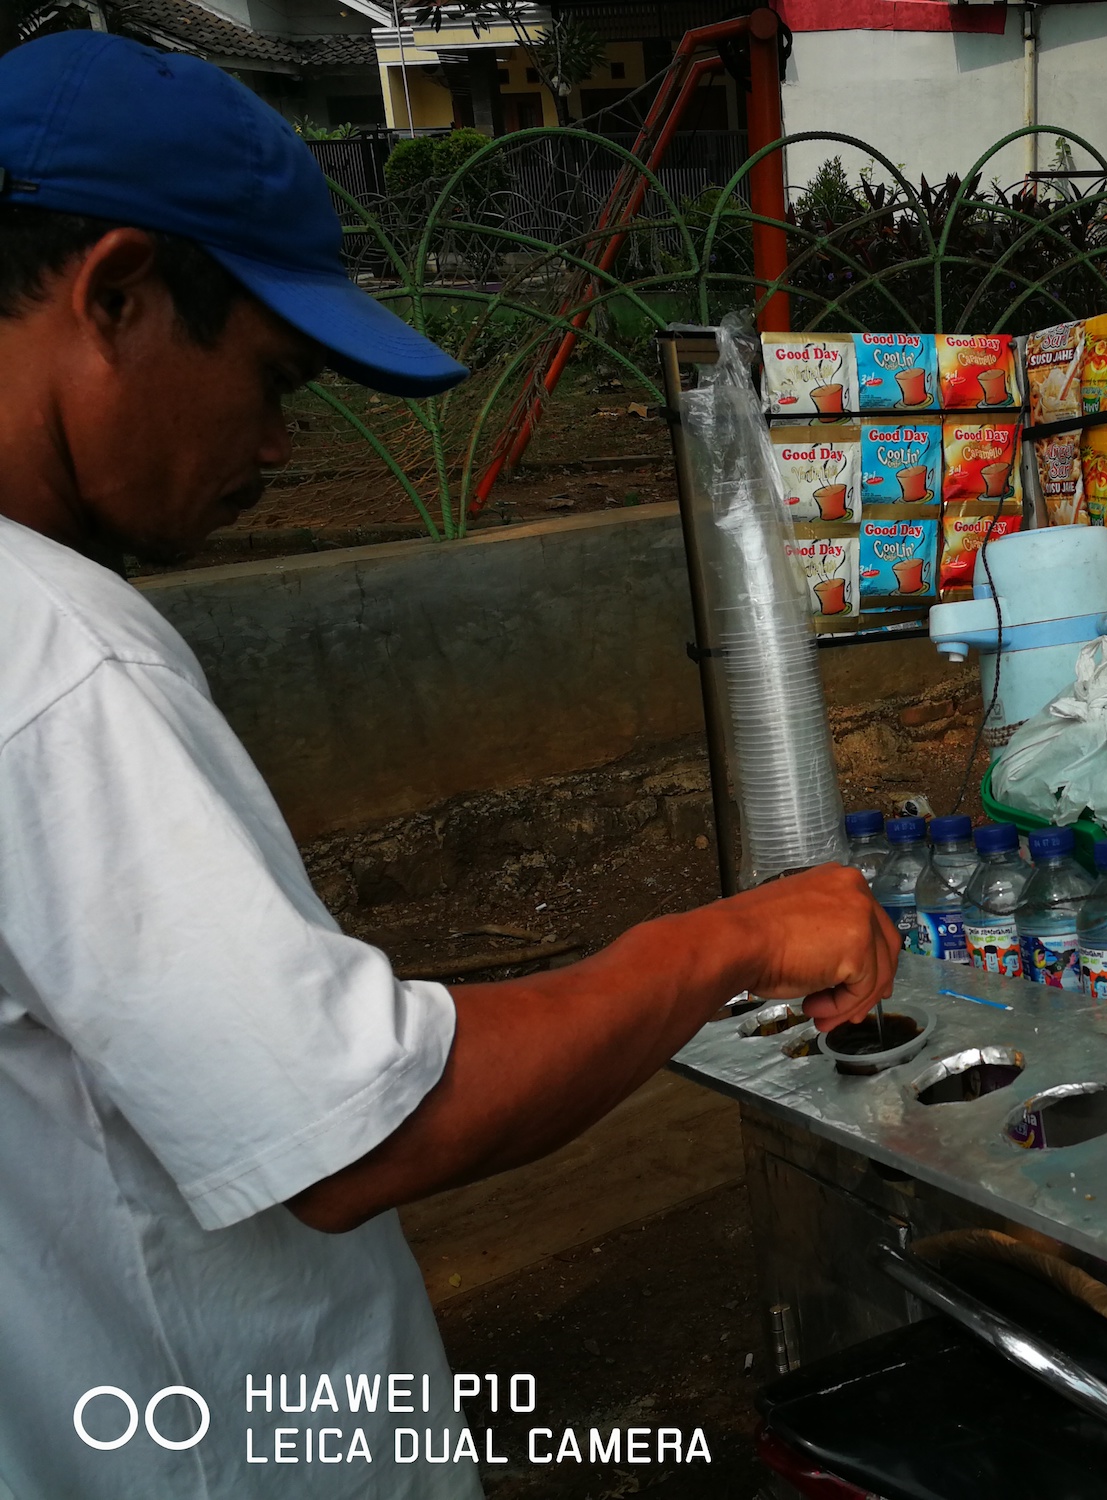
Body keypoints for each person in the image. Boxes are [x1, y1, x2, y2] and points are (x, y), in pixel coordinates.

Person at [0, 33, 898, 1499]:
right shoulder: (50, 655)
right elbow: (358, 1132)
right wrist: (729, 940)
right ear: (118, 296)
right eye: (275, 379)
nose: (284, 448)